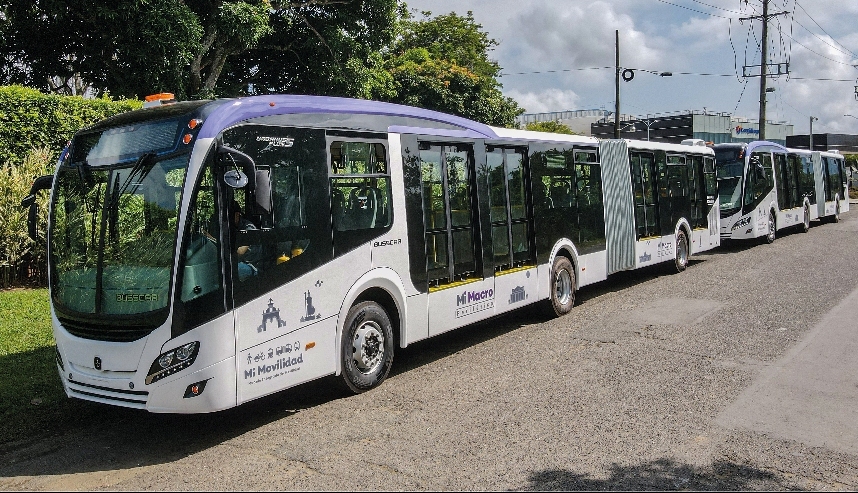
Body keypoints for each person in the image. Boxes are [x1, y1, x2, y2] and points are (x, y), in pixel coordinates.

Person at [231, 200, 261, 281]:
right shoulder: (231, 228)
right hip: (238, 262)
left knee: (231, 270)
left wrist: (218, 242)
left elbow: (240, 251)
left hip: (251, 266)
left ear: (237, 214)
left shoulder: (249, 228)